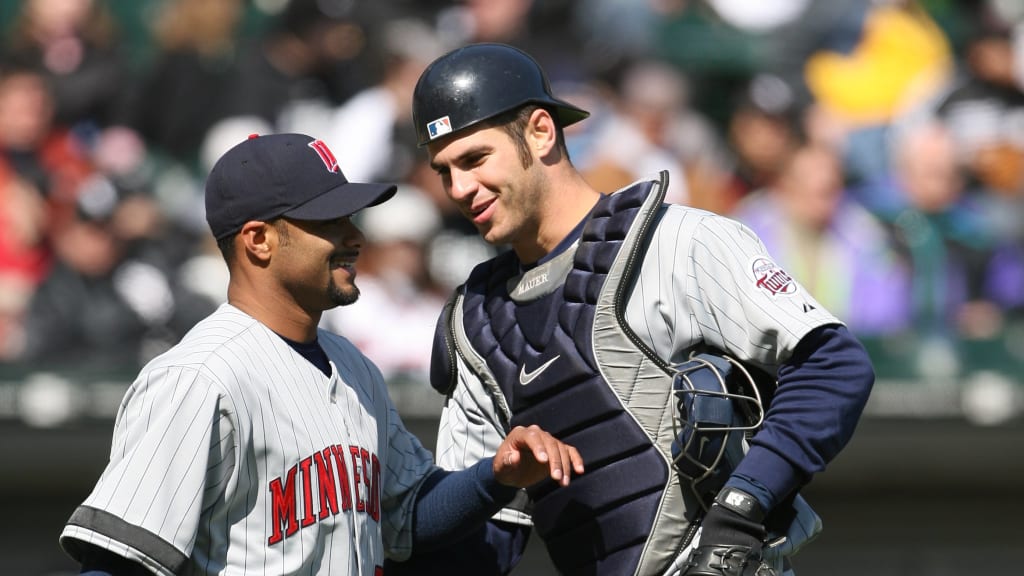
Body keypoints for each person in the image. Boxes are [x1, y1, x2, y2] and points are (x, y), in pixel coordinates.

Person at [386, 43, 875, 576]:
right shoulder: (475, 326)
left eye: (475, 159)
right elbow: (486, 544)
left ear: (541, 132)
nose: (459, 188)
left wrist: (742, 508)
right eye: (444, 171)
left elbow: (835, 363)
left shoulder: (676, 241)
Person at [57, 132, 584, 576]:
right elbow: (118, 561)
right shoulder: (198, 378)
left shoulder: (353, 366)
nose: (354, 236)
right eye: (328, 221)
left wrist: (495, 475)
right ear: (258, 240)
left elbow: (409, 517)